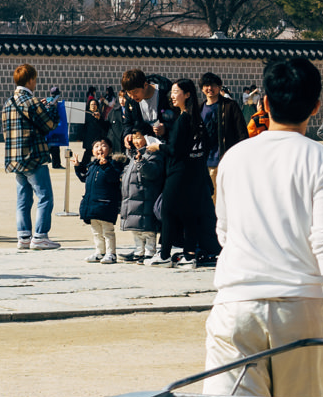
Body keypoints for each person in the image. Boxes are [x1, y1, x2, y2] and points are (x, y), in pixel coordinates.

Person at [204, 57, 323, 397]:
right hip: (297, 306)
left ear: (265, 102)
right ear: (316, 106)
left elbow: (223, 231)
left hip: (235, 304)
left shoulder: (234, 157)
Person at [156, 78, 220, 267]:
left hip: (179, 173)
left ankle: (165, 255)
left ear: (187, 95)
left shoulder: (183, 119)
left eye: (176, 92)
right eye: (172, 92)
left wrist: (157, 147)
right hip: (194, 173)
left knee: (167, 211)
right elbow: (205, 145)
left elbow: (175, 149)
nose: (172, 96)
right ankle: (189, 256)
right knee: (189, 215)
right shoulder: (196, 118)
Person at [2, 64, 60, 252]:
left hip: (15, 158)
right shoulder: (32, 102)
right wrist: (51, 108)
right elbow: (49, 125)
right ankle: (40, 236)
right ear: (30, 80)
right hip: (33, 156)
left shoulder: (8, 103)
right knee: (45, 197)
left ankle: (24, 236)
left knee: (23, 199)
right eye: (34, 79)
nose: (35, 82)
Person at [118, 131, 164, 262]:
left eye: (138, 138)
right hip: (134, 197)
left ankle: (150, 251)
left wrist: (141, 162)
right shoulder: (135, 154)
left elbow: (153, 173)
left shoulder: (153, 154)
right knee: (136, 228)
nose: (135, 141)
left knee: (148, 229)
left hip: (146, 197)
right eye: (133, 139)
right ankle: (139, 251)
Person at [78, 138, 123, 263]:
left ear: (110, 149)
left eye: (103, 146)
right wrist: (77, 167)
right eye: (97, 146)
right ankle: (99, 252)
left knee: (107, 230)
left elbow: (114, 178)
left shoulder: (113, 165)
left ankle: (111, 253)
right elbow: (84, 179)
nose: (100, 149)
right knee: (96, 231)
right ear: (92, 151)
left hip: (106, 203)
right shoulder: (92, 165)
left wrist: (106, 166)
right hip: (92, 203)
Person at [199, 73, 249, 180]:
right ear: (202, 89)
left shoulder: (230, 106)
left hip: (225, 159)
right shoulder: (199, 109)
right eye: (206, 85)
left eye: (213, 85)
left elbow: (241, 132)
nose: (210, 88)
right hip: (203, 162)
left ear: (220, 87)